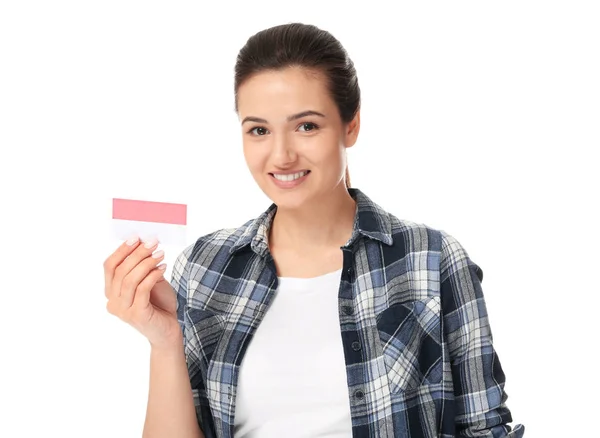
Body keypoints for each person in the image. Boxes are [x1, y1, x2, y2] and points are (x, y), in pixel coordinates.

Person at [103, 22, 525, 438]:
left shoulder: (430, 260)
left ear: (350, 125)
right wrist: (165, 340)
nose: (282, 154)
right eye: (259, 130)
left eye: (306, 126)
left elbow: (484, 430)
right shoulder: (206, 266)